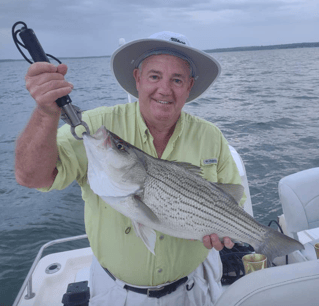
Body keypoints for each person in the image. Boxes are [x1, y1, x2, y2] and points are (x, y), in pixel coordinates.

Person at [15, 31, 244, 305]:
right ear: (137, 79)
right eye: (154, 76)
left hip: (196, 286)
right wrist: (45, 112)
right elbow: (30, 177)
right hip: (116, 293)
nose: (164, 89)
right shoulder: (95, 127)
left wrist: (222, 228)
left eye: (177, 80)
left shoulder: (211, 135)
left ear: (190, 86)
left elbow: (233, 197)